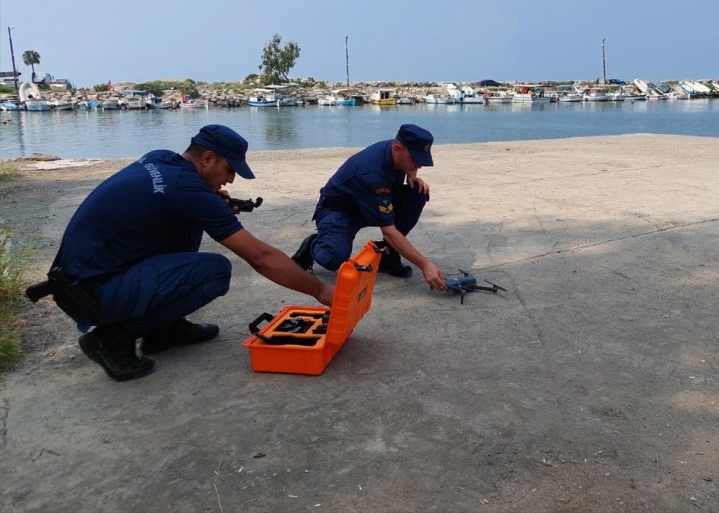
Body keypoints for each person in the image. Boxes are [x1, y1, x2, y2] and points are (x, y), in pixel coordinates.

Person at [50, 124, 334, 382]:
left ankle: (162, 329)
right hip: (92, 294)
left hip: (78, 281)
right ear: (207, 158)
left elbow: (168, 199)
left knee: (191, 219)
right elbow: (261, 257)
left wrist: (207, 202)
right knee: (215, 271)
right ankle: (111, 339)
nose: (232, 180)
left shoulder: (161, 158)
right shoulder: (186, 189)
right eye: (229, 169)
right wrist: (320, 290)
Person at [292, 124, 446, 291]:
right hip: (340, 210)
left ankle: (388, 254)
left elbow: (408, 166)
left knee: (418, 192)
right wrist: (425, 265)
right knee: (331, 258)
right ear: (397, 148)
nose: (419, 165)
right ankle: (312, 245)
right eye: (416, 160)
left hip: (370, 202)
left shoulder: (397, 149)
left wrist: (411, 175)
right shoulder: (372, 174)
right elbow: (388, 230)